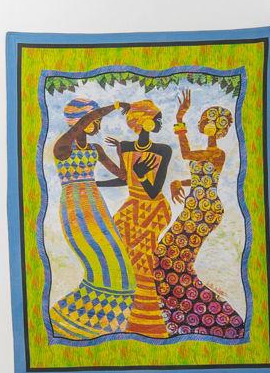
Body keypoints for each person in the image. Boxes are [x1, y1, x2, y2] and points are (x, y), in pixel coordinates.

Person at [154, 94, 247, 341]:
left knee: (172, 259)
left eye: (215, 122)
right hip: (195, 207)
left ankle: (210, 316)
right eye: (207, 119)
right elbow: (201, 176)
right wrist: (178, 181)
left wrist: (179, 119)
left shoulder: (217, 154)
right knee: (166, 256)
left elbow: (186, 155)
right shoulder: (208, 154)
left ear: (222, 129)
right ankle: (183, 312)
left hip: (205, 210)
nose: (209, 124)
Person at [46, 97, 130, 340]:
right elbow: (84, 121)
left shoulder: (95, 149)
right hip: (75, 206)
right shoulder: (63, 147)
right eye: (95, 118)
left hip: (96, 204)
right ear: (79, 121)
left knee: (118, 260)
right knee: (98, 261)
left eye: (99, 118)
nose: (98, 122)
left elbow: (123, 176)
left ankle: (108, 319)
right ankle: (73, 319)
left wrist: (121, 153)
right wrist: (115, 106)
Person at [100, 98, 174, 338]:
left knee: (142, 260)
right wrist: (94, 183)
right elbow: (124, 179)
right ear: (139, 122)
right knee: (117, 252)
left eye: (154, 118)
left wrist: (142, 176)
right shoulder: (127, 147)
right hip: (132, 207)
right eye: (156, 118)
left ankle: (148, 320)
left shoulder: (164, 150)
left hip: (153, 209)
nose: (159, 122)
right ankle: (121, 313)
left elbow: (153, 191)